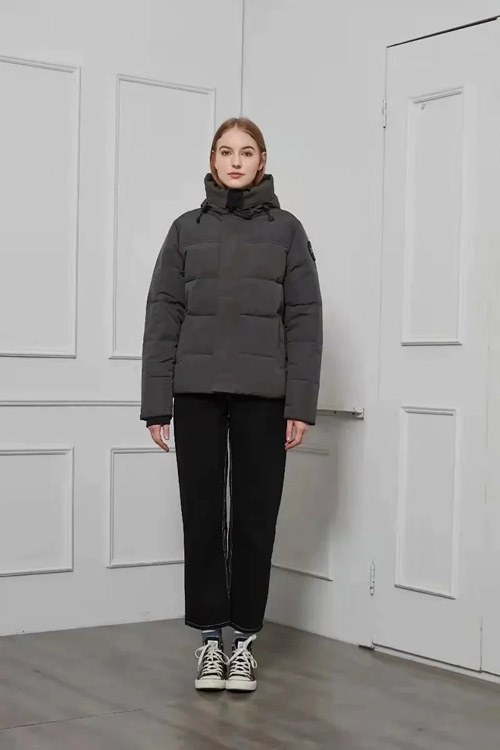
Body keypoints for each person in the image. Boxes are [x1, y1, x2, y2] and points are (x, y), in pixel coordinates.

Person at [140, 117, 322, 692]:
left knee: (254, 516)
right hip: (195, 392)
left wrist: (300, 404)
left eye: (247, 152)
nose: (236, 161)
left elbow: (305, 320)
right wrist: (156, 404)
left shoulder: (288, 231)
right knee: (201, 515)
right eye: (226, 151)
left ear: (262, 161)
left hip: (264, 396)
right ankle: (208, 643)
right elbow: (163, 314)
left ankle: (242, 642)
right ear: (213, 160)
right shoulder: (184, 230)